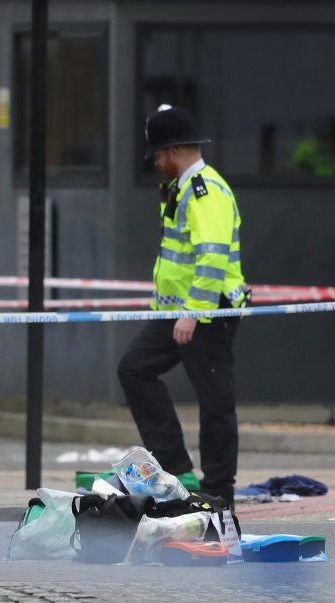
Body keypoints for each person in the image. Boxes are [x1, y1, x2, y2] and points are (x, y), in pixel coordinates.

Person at [117, 105, 248, 506]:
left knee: (215, 400)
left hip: (209, 312)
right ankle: (174, 464)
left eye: (157, 155)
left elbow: (212, 257)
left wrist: (193, 311)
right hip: (176, 313)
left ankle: (218, 489)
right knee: (134, 368)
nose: (156, 163)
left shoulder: (207, 191)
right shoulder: (181, 189)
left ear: (172, 151)